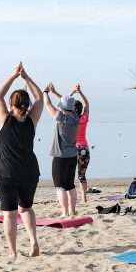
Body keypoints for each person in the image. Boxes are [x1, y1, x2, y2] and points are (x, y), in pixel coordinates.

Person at [0, 63, 44, 258]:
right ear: (26, 105)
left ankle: (13, 252)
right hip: (29, 172)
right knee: (26, 208)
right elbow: (40, 97)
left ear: (11, 105)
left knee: (9, 213)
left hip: (6, 172)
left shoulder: (4, 119)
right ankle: (33, 242)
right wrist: (27, 78)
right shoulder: (32, 120)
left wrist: (14, 76)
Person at [42, 83, 81, 217]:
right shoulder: (76, 117)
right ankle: (72, 210)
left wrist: (45, 92)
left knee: (60, 186)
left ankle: (64, 212)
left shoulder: (62, 118)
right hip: (72, 156)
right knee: (70, 185)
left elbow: (48, 105)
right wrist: (56, 92)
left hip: (60, 157)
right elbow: (67, 104)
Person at [69, 84, 92, 202]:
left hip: (72, 150)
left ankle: (71, 198)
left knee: (69, 176)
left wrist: (73, 92)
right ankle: (84, 198)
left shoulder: (69, 120)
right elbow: (87, 104)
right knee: (81, 175)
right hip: (84, 150)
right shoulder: (83, 119)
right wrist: (80, 92)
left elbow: (65, 103)